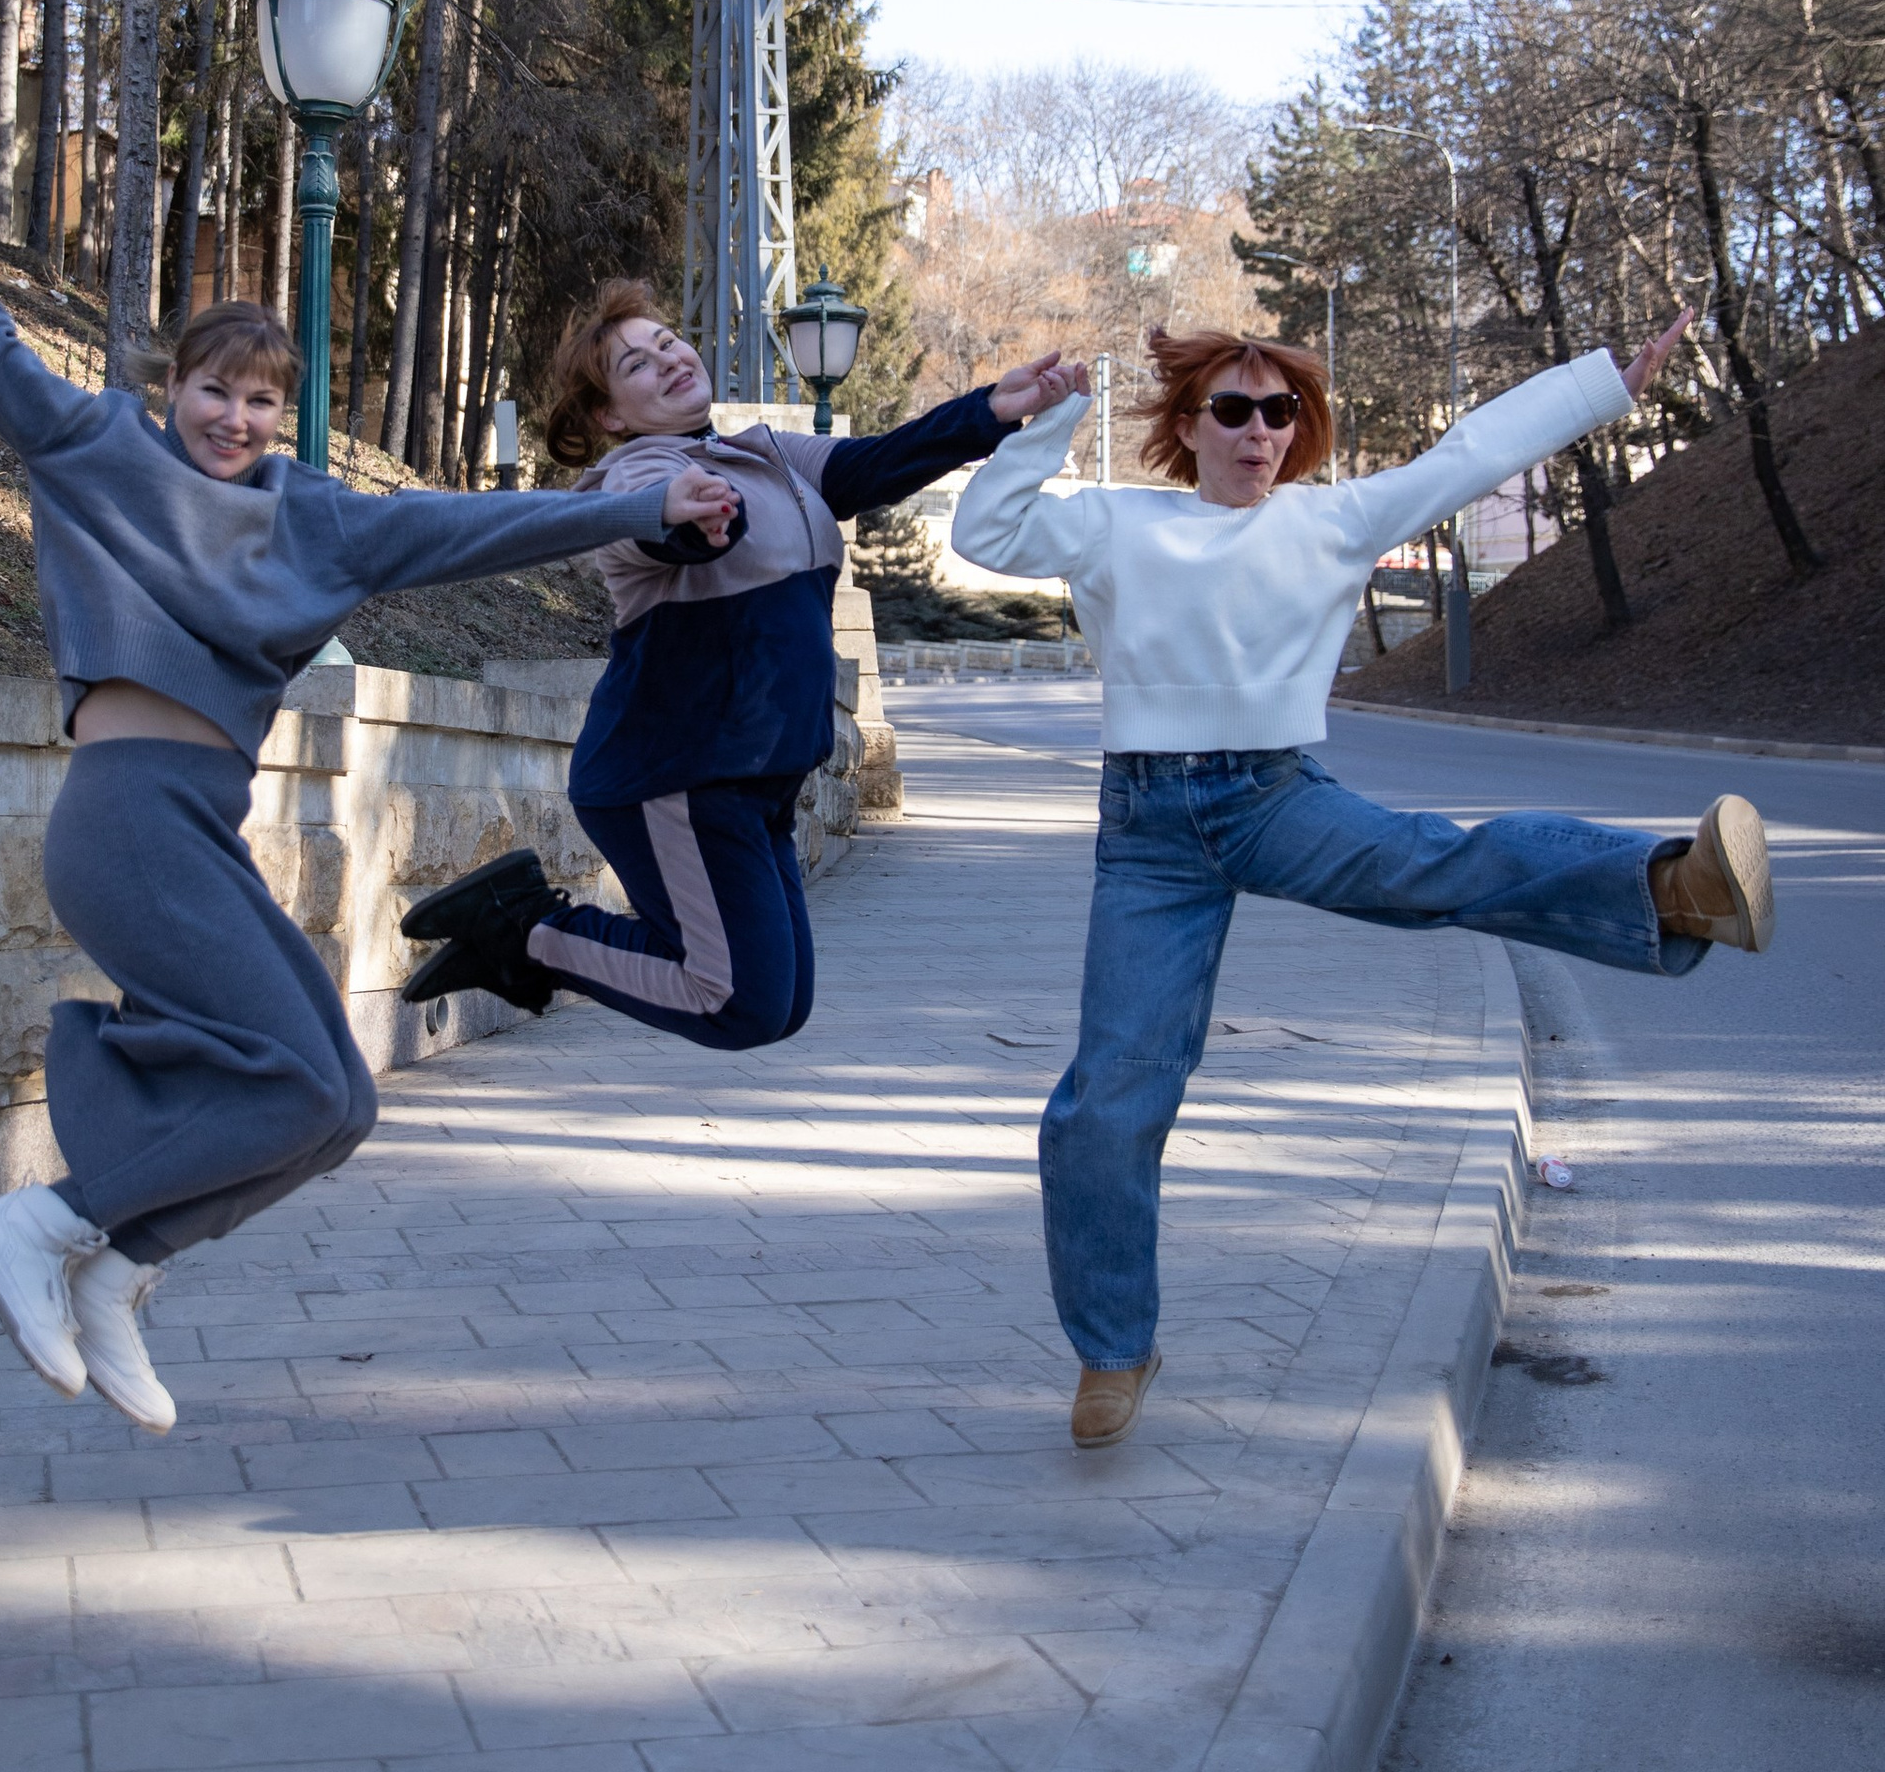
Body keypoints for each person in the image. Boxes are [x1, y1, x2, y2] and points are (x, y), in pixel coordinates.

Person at [0, 47, 739, 1432]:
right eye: (215, 391)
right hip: (120, 818)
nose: (235, 420)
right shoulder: (93, 448)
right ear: (173, 385)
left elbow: (486, 525)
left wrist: (641, 510)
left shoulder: (320, 522)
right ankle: (41, 1228)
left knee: (337, 1103)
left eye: (262, 402)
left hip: (198, 831)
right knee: (291, 1076)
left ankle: (120, 1267)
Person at [948, 313, 1773, 1449]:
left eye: (1277, 411)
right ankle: (1111, 1349)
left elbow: (1469, 455)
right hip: (1147, 831)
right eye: (1230, 410)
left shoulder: (1331, 522)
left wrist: (1600, 386)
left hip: (1274, 799)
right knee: (1107, 1101)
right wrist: (1056, 415)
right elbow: (988, 531)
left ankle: (1673, 890)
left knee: (1444, 863)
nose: (1257, 432)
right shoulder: (1113, 526)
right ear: (1188, 425)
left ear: (1298, 427)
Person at [396, 282, 1078, 1049]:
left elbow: (874, 466)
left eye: (666, 343)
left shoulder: (768, 454)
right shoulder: (628, 478)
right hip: (676, 775)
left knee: (780, 1006)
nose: (668, 359)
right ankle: (526, 932)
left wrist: (990, 409)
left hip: (760, 777)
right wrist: (689, 515)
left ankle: (530, 931)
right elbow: (662, 524)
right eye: (637, 365)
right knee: (737, 1002)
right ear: (609, 415)